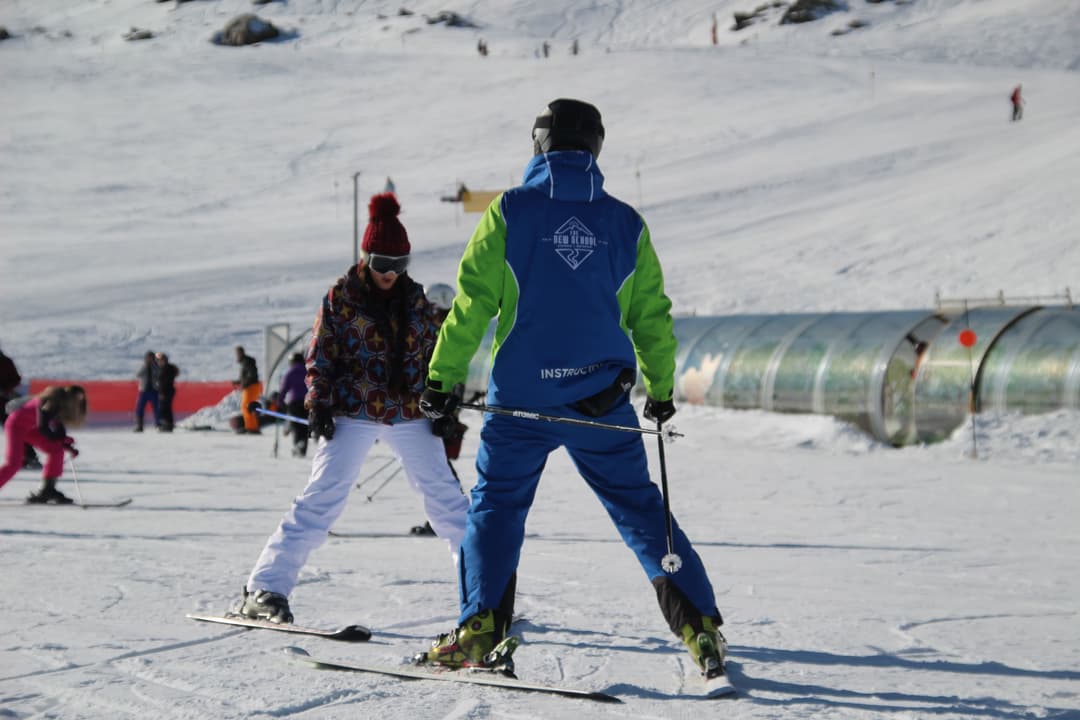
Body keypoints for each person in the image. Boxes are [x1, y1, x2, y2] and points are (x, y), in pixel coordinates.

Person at [417, 99, 727, 682]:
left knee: (497, 509)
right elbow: (652, 316)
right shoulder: (625, 223)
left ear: (539, 146)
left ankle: (481, 627)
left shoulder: (510, 211)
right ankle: (701, 628)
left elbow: (471, 305)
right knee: (641, 511)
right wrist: (660, 388)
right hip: (600, 404)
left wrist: (441, 378)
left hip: (519, 405)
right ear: (596, 149)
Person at [232, 193, 470, 624]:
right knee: (322, 498)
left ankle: (487, 598)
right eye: (382, 263)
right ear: (366, 257)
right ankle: (265, 588)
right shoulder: (341, 297)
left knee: (448, 504)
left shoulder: (416, 302)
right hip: (353, 408)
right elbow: (320, 353)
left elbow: (437, 356)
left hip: (409, 408)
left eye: (399, 264)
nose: (390, 274)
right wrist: (318, 401)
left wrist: (445, 402)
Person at [410, 282, 467, 537]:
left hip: (436, 407)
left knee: (437, 466)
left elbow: (453, 374)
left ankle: (453, 514)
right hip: (434, 405)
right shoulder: (451, 330)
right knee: (436, 465)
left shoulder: (439, 332)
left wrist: (447, 413)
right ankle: (449, 513)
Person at [0, 385, 87, 504]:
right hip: (16, 425)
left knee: (56, 450)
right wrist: (60, 440)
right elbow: (44, 427)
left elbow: (58, 430)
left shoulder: (59, 405)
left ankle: (47, 490)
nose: (77, 403)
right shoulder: (51, 402)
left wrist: (65, 443)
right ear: (69, 396)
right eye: (77, 399)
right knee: (14, 464)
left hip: (29, 427)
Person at [0, 345, 42, 470]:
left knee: (15, 431)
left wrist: (5, 389)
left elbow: (16, 379)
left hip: (4, 403)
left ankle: (29, 457)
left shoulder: (5, 362)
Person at [278, 352, 308, 457]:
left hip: (294, 402)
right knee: (305, 425)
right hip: (307, 402)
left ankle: (297, 445)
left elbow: (284, 388)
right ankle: (303, 447)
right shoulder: (308, 371)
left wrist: (280, 401)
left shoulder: (290, 372)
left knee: (296, 424)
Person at [234, 346, 263, 434]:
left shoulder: (246, 362)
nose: (236, 355)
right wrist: (239, 382)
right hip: (252, 386)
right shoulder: (245, 362)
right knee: (248, 406)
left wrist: (243, 384)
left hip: (251, 387)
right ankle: (250, 426)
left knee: (247, 406)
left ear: (241, 353)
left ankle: (252, 428)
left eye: (237, 353)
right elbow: (248, 375)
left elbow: (251, 375)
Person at [133, 350, 160, 432]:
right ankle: (139, 426)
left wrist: (154, 366)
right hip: (143, 391)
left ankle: (158, 425)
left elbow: (159, 375)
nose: (150, 359)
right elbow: (137, 374)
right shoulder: (143, 366)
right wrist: (145, 366)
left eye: (151, 357)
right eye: (148, 357)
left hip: (153, 390)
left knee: (156, 408)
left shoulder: (156, 366)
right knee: (139, 409)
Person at [156, 352, 180, 432]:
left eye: (160, 360)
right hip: (168, 390)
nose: (159, 362)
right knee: (166, 408)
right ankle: (168, 425)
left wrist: (162, 392)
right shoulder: (165, 368)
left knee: (164, 409)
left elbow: (165, 382)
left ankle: (166, 425)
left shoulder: (166, 369)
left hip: (166, 391)